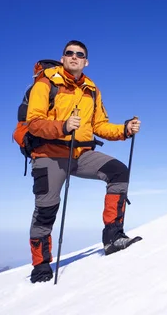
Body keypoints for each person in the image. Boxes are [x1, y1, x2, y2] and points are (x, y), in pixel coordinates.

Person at [24, 40, 141, 283]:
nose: (74, 57)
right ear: (63, 57)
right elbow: (33, 123)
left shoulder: (91, 89)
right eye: (69, 53)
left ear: (86, 61)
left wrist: (125, 130)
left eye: (80, 54)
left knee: (119, 172)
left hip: (80, 154)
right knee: (46, 210)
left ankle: (113, 237)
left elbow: (98, 125)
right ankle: (41, 265)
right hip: (49, 153)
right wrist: (63, 126)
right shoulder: (45, 83)